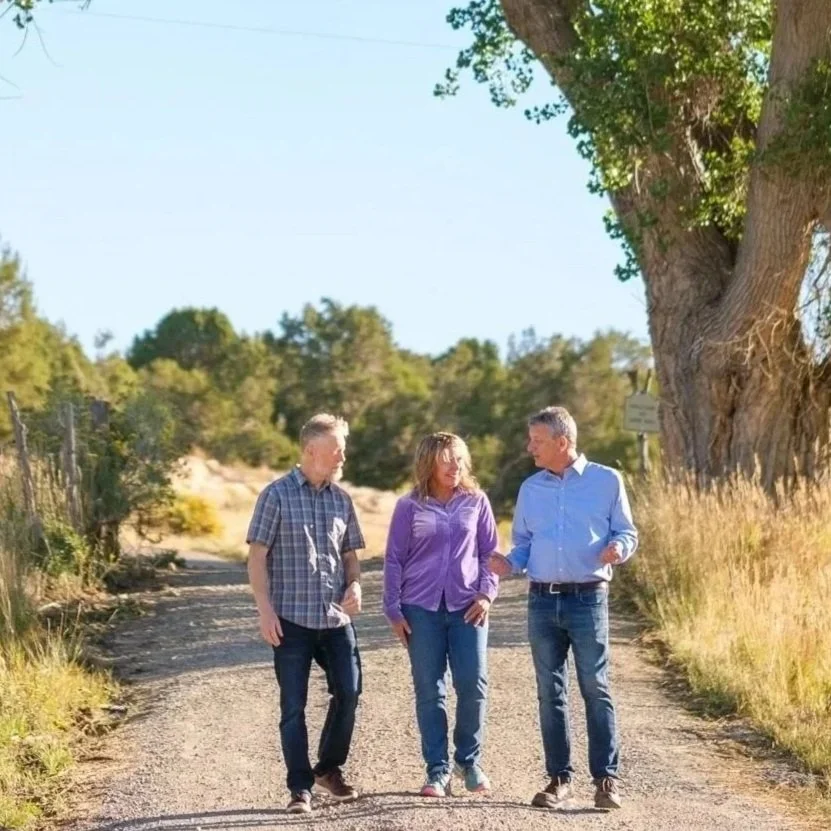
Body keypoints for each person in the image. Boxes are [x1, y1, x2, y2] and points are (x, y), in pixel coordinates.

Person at [489, 406, 638, 811]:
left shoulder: (607, 480)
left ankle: (606, 780)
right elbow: (522, 543)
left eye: (537, 442)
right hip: (541, 600)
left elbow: (627, 530)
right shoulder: (530, 488)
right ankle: (558, 779)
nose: (529, 448)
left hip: (589, 598)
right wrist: (509, 563)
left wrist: (619, 548)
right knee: (549, 692)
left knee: (595, 686)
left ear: (562, 442)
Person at [246, 413, 365, 815]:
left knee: (349, 691)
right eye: (337, 448)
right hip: (291, 619)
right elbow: (257, 557)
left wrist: (356, 586)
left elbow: (350, 557)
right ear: (312, 450)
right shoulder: (275, 495)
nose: (342, 454)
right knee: (293, 705)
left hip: (335, 620)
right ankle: (300, 788)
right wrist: (265, 611)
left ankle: (328, 768)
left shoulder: (342, 499)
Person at [383, 432, 500, 798]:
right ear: (429, 462)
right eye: (448, 459)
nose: (456, 466)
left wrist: (486, 594)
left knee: (473, 685)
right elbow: (394, 559)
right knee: (429, 691)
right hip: (421, 609)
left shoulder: (476, 501)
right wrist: (392, 608)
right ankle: (437, 770)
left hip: (469, 607)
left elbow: (489, 553)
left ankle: (468, 760)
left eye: (460, 458)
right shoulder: (409, 506)